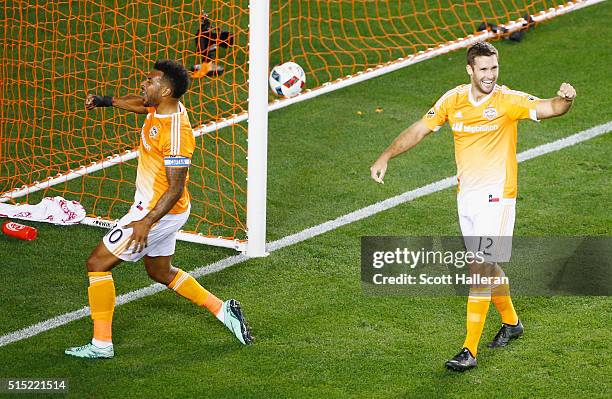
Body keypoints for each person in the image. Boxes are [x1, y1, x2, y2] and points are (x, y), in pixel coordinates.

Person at [370, 42, 575, 371]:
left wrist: (566, 100)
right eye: (484, 69)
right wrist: (385, 155)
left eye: (494, 68)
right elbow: (420, 129)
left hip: (498, 198)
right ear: (470, 70)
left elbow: (550, 108)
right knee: (489, 268)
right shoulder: (453, 101)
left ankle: (469, 350)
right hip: (467, 199)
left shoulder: (508, 101)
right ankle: (512, 323)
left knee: (479, 269)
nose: (490, 75)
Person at [65, 60, 253, 359]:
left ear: (165, 89)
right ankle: (223, 309)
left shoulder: (177, 135)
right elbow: (143, 105)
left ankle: (101, 345)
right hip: (168, 210)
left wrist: (146, 223)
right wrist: (108, 101)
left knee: (97, 264)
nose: (143, 83)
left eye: (149, 80)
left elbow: (175, 187)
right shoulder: (161, 107)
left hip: (156, 211)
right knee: (159, 271)